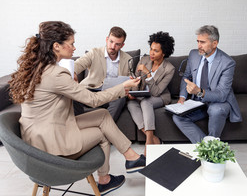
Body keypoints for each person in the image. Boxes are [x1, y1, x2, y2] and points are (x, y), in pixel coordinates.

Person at [9, 21, 146, 195]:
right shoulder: (56, 73)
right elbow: (93, 100)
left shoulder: (38, 67)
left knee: (103, 115)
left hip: (40, 131)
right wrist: (123, 87)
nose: (75, 48)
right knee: (102, 134)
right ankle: (106, 179)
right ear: (56, 46)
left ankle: (131, 158)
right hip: (47, 145)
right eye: (72, 43)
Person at [173, 25, 242, 143]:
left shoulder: (227, 63)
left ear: (214, 43)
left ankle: (212, 144)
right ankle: (206, 145)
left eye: (203, 42)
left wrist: (199, 92)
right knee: (178, 117)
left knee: (216, 110)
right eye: (198, 41)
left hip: (217, 101)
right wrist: (182, 97)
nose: (199, 45)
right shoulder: (194, 55)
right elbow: (186, 76)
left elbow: (222, 94)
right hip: (197, 102)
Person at [127, 32, 175, 154]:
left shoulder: (169, 69)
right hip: (142, 95)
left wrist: (148, 73)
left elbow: (156, 91)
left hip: (159, 97)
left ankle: (149, 142)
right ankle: (155, 139)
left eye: (156, 51)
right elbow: (136, 80)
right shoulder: (144, 60)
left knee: (146, 102)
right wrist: (133, 91)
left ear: (164, 53)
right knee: (131, 104)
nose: (151, 53)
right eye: (151, 49)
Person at [73, 26, 131, 121]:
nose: (112, 47)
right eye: (111, 42)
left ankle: (105, 127)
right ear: (107, 39)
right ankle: (82, 126)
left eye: (117, 44)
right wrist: (73, 72)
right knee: (73, 97)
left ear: (122, 45)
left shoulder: (128, 59)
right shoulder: (94, 53)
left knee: (121, 99)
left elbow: (130, 80)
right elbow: (78, 64)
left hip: (113, 94)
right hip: (91, 91)